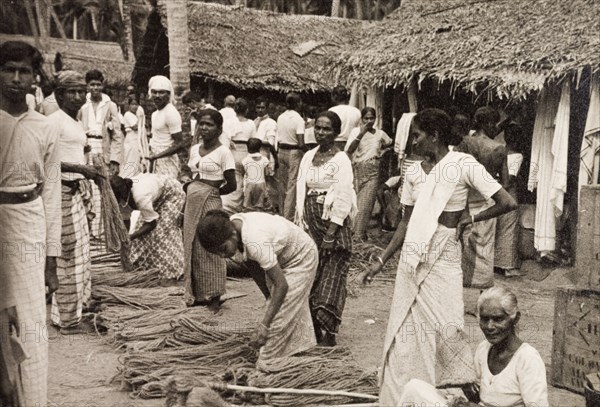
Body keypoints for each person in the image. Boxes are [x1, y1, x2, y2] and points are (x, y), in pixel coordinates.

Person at [359, 108, 517, 404]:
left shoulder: (462, 164)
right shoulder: (414, 170)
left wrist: (471, 218)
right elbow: (405, 221)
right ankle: (399, 396)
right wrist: (381, 262)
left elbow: (506, 201)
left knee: (448, 325)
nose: (413, 142)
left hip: (444, 255)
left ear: (435, 136)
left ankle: (448, 396)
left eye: (417, 136)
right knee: (405, 330)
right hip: (412, 258)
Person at [0, 40, 62, 407]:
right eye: (8, 69)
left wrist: (50, 258)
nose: (16, 78)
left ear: (35, 78)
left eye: (24, 71)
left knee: (32, 326)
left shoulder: (45, 127)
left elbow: (50, 193)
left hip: (30, 223)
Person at [197, 210, 318, 364]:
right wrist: (269, 299)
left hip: (301, 257)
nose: (222, 256)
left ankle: (269, 362)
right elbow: (253, 267)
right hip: (281, 257)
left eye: (223, 249)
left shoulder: (255, 239)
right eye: (217, 253)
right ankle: (293, 353)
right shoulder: (232, 227)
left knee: (277, 319)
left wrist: (264, 325)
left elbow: (281, 285)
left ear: (232, 236)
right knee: (277, 309)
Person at [399, 287, 549, 407]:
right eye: (484, 319)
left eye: (498, 319)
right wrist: (466, 389)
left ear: (514, 319)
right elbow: (478, 397)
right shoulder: (484, 349)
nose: (490, 326)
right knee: (414, 388)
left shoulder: (528, 359)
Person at [48, 70, 104, 334]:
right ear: (60, 94)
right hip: (61, 192)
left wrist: (87, 161)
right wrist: (80, 170)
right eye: (73, 91)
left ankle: (77, 307)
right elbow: (43, 162)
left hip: (76, 190)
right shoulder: (53, 121)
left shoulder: (75, 119)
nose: (80, 96)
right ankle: (67, 319)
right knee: (67, 254)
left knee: (81, 253)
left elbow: (75, 151)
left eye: (82, 91)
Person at [295, 111, 357, 347]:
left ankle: (330, 330)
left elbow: (343, 196)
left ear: (336, 132)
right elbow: (300, 190)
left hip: (333, 226)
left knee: (333, 276)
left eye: (326, 129)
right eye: (318, 128)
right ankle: (315, 328)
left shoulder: (341, 160)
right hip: (311, 225)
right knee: (314, 275)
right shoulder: (309, 156)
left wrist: (331, 233)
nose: (321, 132)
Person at [183, 109, 237, 309]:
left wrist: (211, 192)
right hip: (193, 201)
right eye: (201, 124)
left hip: (211, 202)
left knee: (211, 246)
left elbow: (232, 184)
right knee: (193, 245)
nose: (204, 128)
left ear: (219, 129)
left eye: (209, 124)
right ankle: (197, 294)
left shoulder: (224, 152)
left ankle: (214, 295)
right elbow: (193, 173)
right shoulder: (195, 149)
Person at [455, 106, 509, 288]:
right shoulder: (499, 148)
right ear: (487, 123)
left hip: (463, 201)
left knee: (459, 247)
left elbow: (456, 174)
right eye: (495, 124)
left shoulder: (464, 143)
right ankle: (483, 295)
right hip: (488, 203)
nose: (497, 128)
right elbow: (506, 182)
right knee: (485, 249)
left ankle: (457, 291)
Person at [110, 173, 185, 282]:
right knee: (140, 235)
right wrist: (124, 239)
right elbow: (125, 218)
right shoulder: (124, 192)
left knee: (161, 234)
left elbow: (151, 224)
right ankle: (144, 266)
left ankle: (171, 272)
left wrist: (130, 237)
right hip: (156, 191)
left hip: (172, 193)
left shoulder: (140, 197)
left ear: (122, 195)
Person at [78, 69, 123, 240]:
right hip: (86, 147)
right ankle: (89, 230)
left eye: (98, 84)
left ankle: (103, 231)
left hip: (103, 148)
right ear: (87, 86)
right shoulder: (83, 105)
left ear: (102, 85)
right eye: (92, 85)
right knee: (87, 187)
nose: (95, 88)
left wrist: (115, 160)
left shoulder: (109, 105)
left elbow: (117, 134)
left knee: (103, 187)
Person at [345, 107, 393, 240]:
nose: (369, 121)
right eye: (366, 118)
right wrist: (361, 133)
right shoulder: (356, 132)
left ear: (375, 119)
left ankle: (358, 233)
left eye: (371, 118)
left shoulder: (380, 133)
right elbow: (349, 149)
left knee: (367, 202)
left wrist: (382, 152)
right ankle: (354, 231)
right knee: (357, 200)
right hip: (359, 168)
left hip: (373, 169)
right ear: (362, 119)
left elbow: (390, 143)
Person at [494, 122, 525, 276]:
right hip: (508, 194)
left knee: (497, 228)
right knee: (509, 229)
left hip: (495, 193)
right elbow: (509, 180)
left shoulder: (498, 151)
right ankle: (507, 267)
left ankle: (495, 263)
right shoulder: (517, 156)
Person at [146, 75, 187, 179]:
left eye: (161, 92)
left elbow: (179, 143)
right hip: (153, 159)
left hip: (166, 161)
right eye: (154, 92)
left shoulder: (171, 112)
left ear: (168, 94)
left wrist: (157, 156)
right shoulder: (155, 114)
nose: (157, 95)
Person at [222, 98, 256, 213]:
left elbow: (226, 138)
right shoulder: (251, 123)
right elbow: (253, 141)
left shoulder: (229, 122)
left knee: (232, 179)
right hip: (246, 153)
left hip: (233, 152)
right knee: (245, 181)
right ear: (246, 110)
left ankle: (229, 206)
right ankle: (242, 206)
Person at [277, 92, 306, 220]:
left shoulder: (280, 117)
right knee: (292, 184)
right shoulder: (298, 119)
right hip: (294, 152)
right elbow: (300, 142)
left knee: (282, 184)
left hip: (281, 150)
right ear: (298, 103)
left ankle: (282, 211)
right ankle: (288, 215)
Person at [254, 96, 279, 212]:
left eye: (262, 107)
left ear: (267, 109)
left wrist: (256, 142)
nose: (260, 110)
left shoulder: (271, 123)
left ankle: (268, 208)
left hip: (265, 154)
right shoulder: (255, 121)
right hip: (254, 154)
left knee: (265, 184)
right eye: (258, 107)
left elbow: (271, 143)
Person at [328, 85, 361, 150]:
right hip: (352, 144)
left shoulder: (331, 111)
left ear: (334, 96)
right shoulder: (356, 111)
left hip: (336, 144)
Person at [242, 138, 270, 211]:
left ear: (247, 148)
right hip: (261, 183)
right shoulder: (264, 159)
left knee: (247, 206)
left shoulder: (245, 160)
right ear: (260, 148)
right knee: (259, 205)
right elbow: (267, 173)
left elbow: (243, 173)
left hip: (249, 184)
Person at [119, 95, 143, 178]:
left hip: (137, 140)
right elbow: (135, 127)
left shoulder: (137, 115)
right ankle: (126, 178)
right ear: (129, 105)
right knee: (130, 160)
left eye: (136, 105)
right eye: (132, 104)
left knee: (137, 161)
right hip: (131, 139)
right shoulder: (127, 114)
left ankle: (135, 179)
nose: (134, 107)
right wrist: (141, 119)